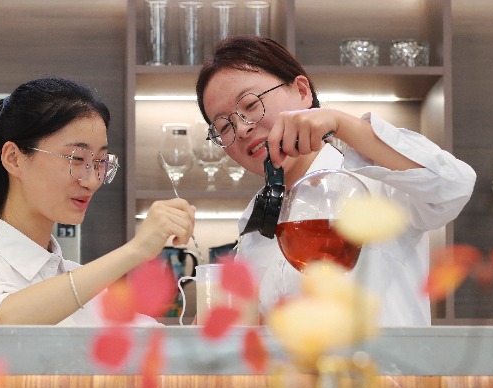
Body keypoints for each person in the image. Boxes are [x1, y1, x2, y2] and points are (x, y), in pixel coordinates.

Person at [195, 35, 476, 327]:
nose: (241, 129)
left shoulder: (378, 178)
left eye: (251, 104)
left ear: (302, 91)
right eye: (223, 127)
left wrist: (342, 124)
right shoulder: (255, 220)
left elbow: (454, 185)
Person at [0, 77, 196, 325]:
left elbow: (162, 346)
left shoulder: (83, 285)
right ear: (14, 158)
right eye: (77, 159)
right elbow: (4, 322)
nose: (92, 181)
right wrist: (135, 250)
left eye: (100, 162)